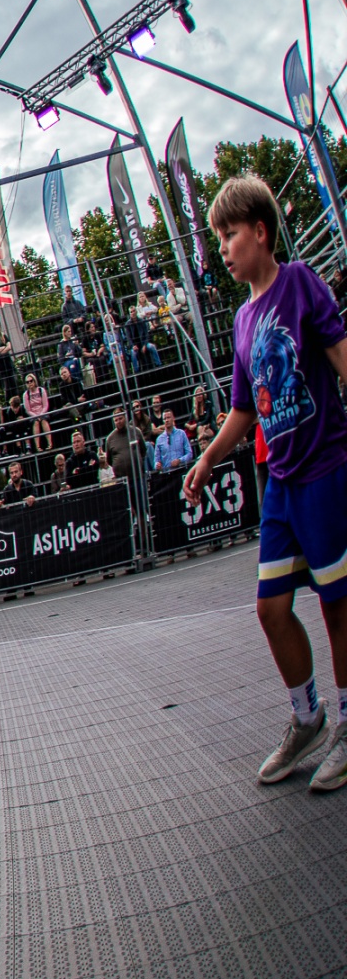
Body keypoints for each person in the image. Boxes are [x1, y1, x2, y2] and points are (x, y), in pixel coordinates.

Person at [183, 174, 347, 790]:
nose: (222, 248)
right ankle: (308, 717)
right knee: (271, 608)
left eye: (229, 234)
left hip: (325, 468)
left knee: (337, 604)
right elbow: (243, 409)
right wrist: (207, 458)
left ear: (260, 231)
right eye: (218, 237)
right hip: (280, 482)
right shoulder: (243, 320)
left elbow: (341, 356)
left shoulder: (301, 282)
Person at [152, 407, 194, 474]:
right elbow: (156, 461)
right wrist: (157, 465)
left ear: (173, 418)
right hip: (167, 474)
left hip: (182, 470)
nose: (166, 420)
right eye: (164, 419)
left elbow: (190, 454)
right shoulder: (159, 439)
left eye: (168, 417)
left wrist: (179, 460)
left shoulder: (181, 433)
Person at [21, 371, 52, 451]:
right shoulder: (25, 394)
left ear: (35, 381)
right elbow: (27, 410)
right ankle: (37, 447)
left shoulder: (42, 390)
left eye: (31, 381)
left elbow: (45, 405)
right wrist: (36, 416)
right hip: (32, 414)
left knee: (44, 421)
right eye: (27, 382)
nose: (29, 383)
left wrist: (41, 414)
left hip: (42, 412)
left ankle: (50, 444)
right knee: (36, 423)